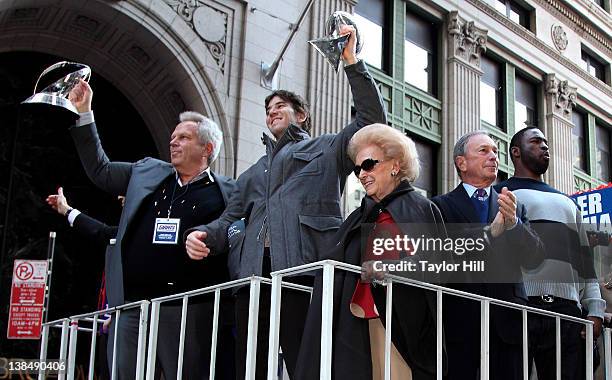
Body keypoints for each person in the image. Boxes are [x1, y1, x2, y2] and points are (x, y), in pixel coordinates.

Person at [185, 25, 386, 379]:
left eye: (281, 106)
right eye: (268, 108)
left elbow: (372, 122)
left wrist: (352, 62)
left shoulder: (326, 148)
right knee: (250, 367)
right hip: (252, 280)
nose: (272, 111)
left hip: (303, 274)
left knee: (305, 365)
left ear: (301, 115)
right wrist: (203, 235)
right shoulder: (254, 171)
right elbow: (228, 220)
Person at [67, 81, 237, 379]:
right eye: (173, 137)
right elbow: (100, 170)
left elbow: (238, 234)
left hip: (188, 312)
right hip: (131, 309)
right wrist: (84, 113)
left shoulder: (229, 193)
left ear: (207, 149)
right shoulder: (146, 172)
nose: (173, 142)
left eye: (183, 138)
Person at [296, 124, 446, 379]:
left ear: (395, 165)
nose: (361, 174)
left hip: (402, 324)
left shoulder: (420, 209)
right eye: (357, 169)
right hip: (355, 323)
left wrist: (393, 269)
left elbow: (437, 264)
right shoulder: (357, 218)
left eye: (369, 164)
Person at [431, 130, 544, 380]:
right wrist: (488, 233)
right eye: (483, 151)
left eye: (495, 151)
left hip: (509, 324)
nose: (493, 156)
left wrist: (514, 224)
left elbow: (535, 258)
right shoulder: (439, 206)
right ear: (461, 162)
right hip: (460, 322)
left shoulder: (513, 206)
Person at [495, 127, 605, 379]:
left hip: (568, 313)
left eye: (546, 142)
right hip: (519, 307)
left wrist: (595, 310)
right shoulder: (500, 195)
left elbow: (585, 261)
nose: (545, 147)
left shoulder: (569, 203)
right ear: (516, 152)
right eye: (535, 142)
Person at [46, 186, 120, 380]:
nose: (120, 197)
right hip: (109, 324)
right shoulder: (124, 234)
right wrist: (67, 210)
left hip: (129, 324)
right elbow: (101, 232)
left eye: (128, 193)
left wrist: (125, 310)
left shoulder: (144, 234)